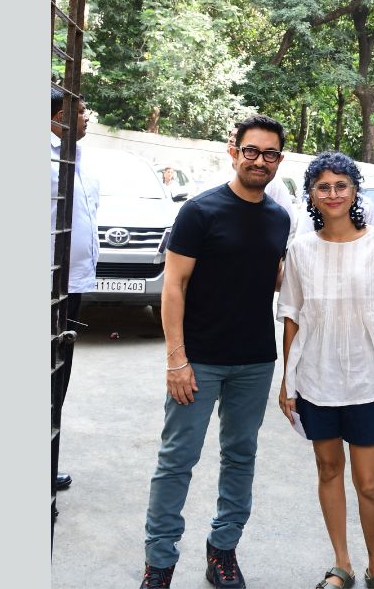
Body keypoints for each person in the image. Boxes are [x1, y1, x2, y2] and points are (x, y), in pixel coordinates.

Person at [139, 115, 291, 589]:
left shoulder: (279, 218)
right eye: (251, 151)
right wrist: (176, 359)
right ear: (233, 151)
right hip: (198, 360)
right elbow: (173, 287)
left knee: (241, 457)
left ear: (279, 160)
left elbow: (270, 278)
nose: (259, 161)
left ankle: (223, 551)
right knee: (176, 460)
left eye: (269, 154)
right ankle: (159, 562)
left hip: (255, 360)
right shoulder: (200, 211)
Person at [277, 152, 374, 589]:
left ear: (355, 190)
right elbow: (291, 317)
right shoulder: (300, 250)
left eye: (341, 185)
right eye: (323, 187)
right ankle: (341, 563)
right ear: (311, 196)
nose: (333, 194)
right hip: (316, 379)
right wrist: (287, 381)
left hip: (368, 379)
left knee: (369, 482)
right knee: (328, 470)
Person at [50, 88, 99, 495]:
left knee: (58, 374)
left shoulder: (75, 157)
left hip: (72, 284)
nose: (86, 118)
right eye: (81, 112)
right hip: (48, 286)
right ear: (59, 115)